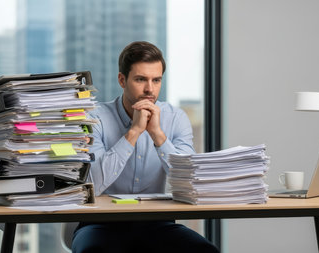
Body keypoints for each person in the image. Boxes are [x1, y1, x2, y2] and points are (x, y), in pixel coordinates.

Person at [72, 41, 219, 253]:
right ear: (122, 80)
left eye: (156, 80)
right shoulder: (94, 118)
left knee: (204, 251)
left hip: (157, 224)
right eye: (141, 79)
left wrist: (157, 135)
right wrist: (133, 133)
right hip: (100, 224)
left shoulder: (176, 118)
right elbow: (93, 184)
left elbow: (190, 183)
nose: (150, 89)